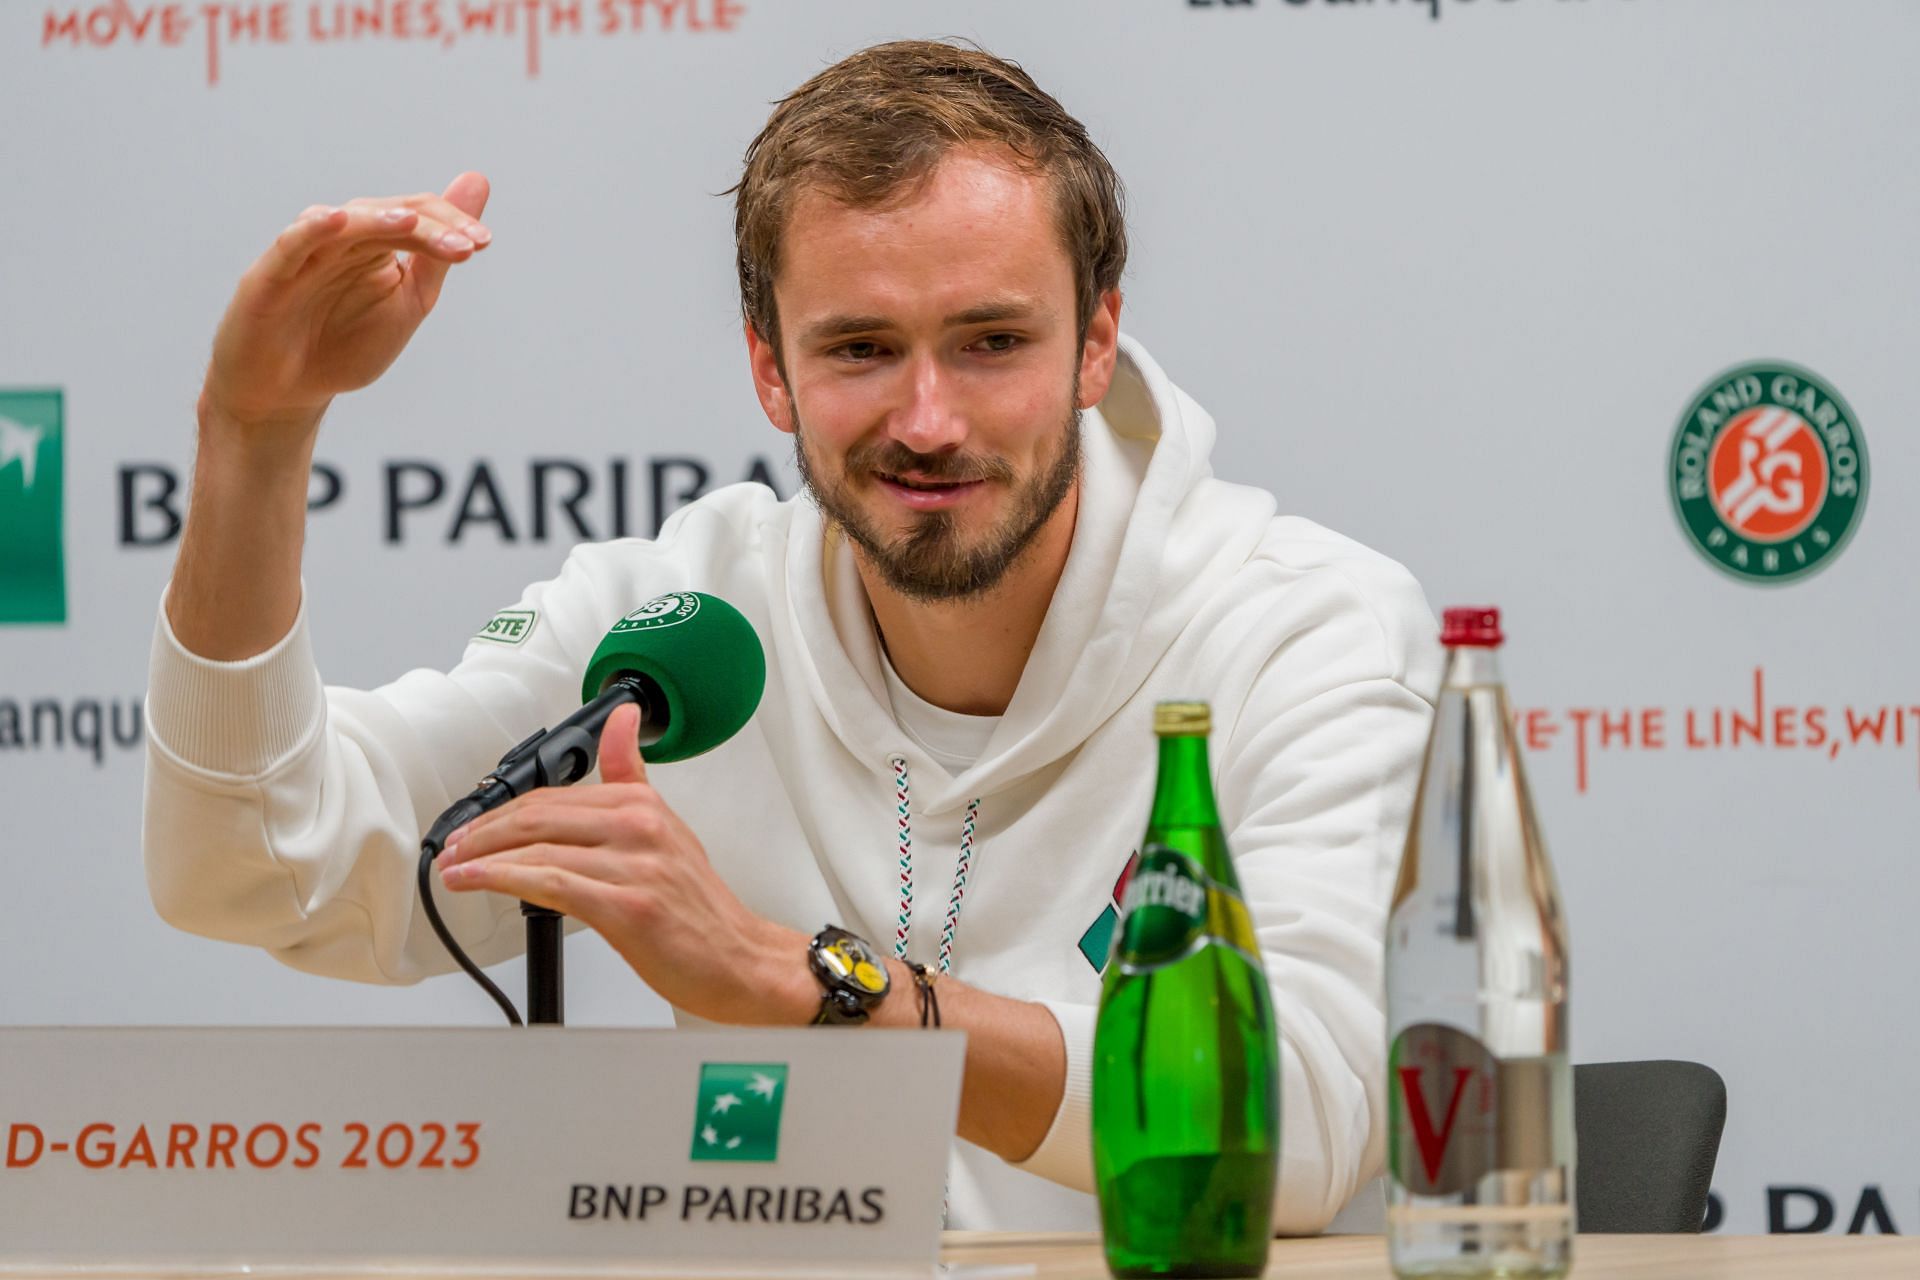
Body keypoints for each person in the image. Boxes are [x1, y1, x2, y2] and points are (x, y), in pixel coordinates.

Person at [143, 39, 1441, 1232]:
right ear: (770, 368)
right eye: (862, 349)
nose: (929, 418)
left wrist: (804, 982)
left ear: (1097, 338)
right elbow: (263, 864)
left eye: (991, 342)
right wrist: (253, 441)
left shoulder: (1302, 629)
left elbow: (1302, 1126)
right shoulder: (690, 624)